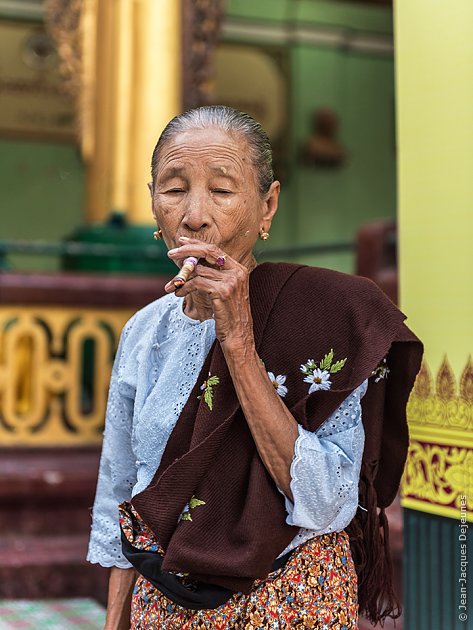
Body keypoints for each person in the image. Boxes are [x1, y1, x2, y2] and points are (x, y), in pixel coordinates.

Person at [87, 105, 422, 629]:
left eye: (221, 191)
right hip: (167, 599)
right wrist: (114, 622)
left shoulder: (331, 316)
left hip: (290, 601)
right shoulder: (145, 332)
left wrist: (239, 340)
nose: (194, 215)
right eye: (174, 189)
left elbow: (329, 503)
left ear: (267, 207)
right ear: (152, 201)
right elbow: (122, 490)